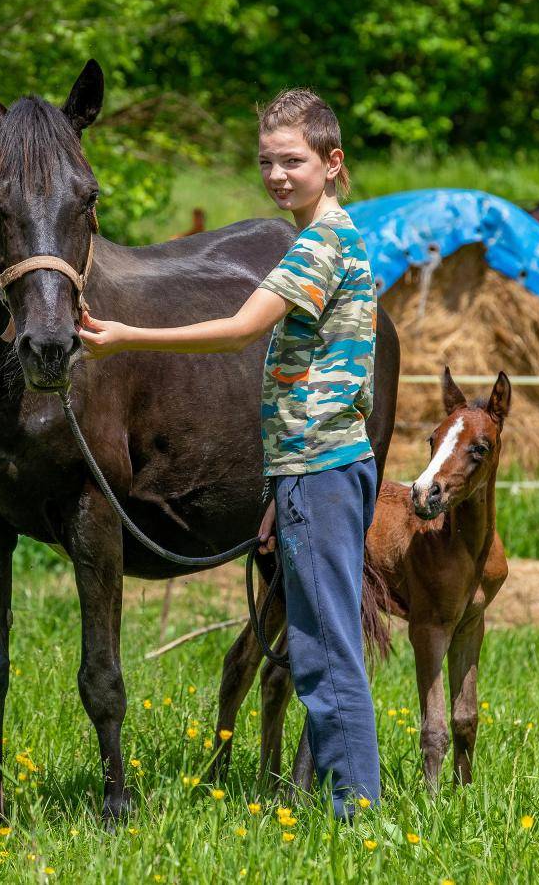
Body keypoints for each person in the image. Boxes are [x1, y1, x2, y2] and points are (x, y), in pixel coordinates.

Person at [79, 88, 380, 816]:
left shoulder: (319, 245)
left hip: (323, 470)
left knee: (327, 652)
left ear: (333, 163)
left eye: (294, 162)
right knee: (320, 644)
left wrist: (126, 335)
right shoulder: (339, 239)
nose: (278, 176)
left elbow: (240, 330)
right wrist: (280, 488)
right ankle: (352, 807)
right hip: (315, 468)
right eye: (267, 162)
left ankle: (357, 815)